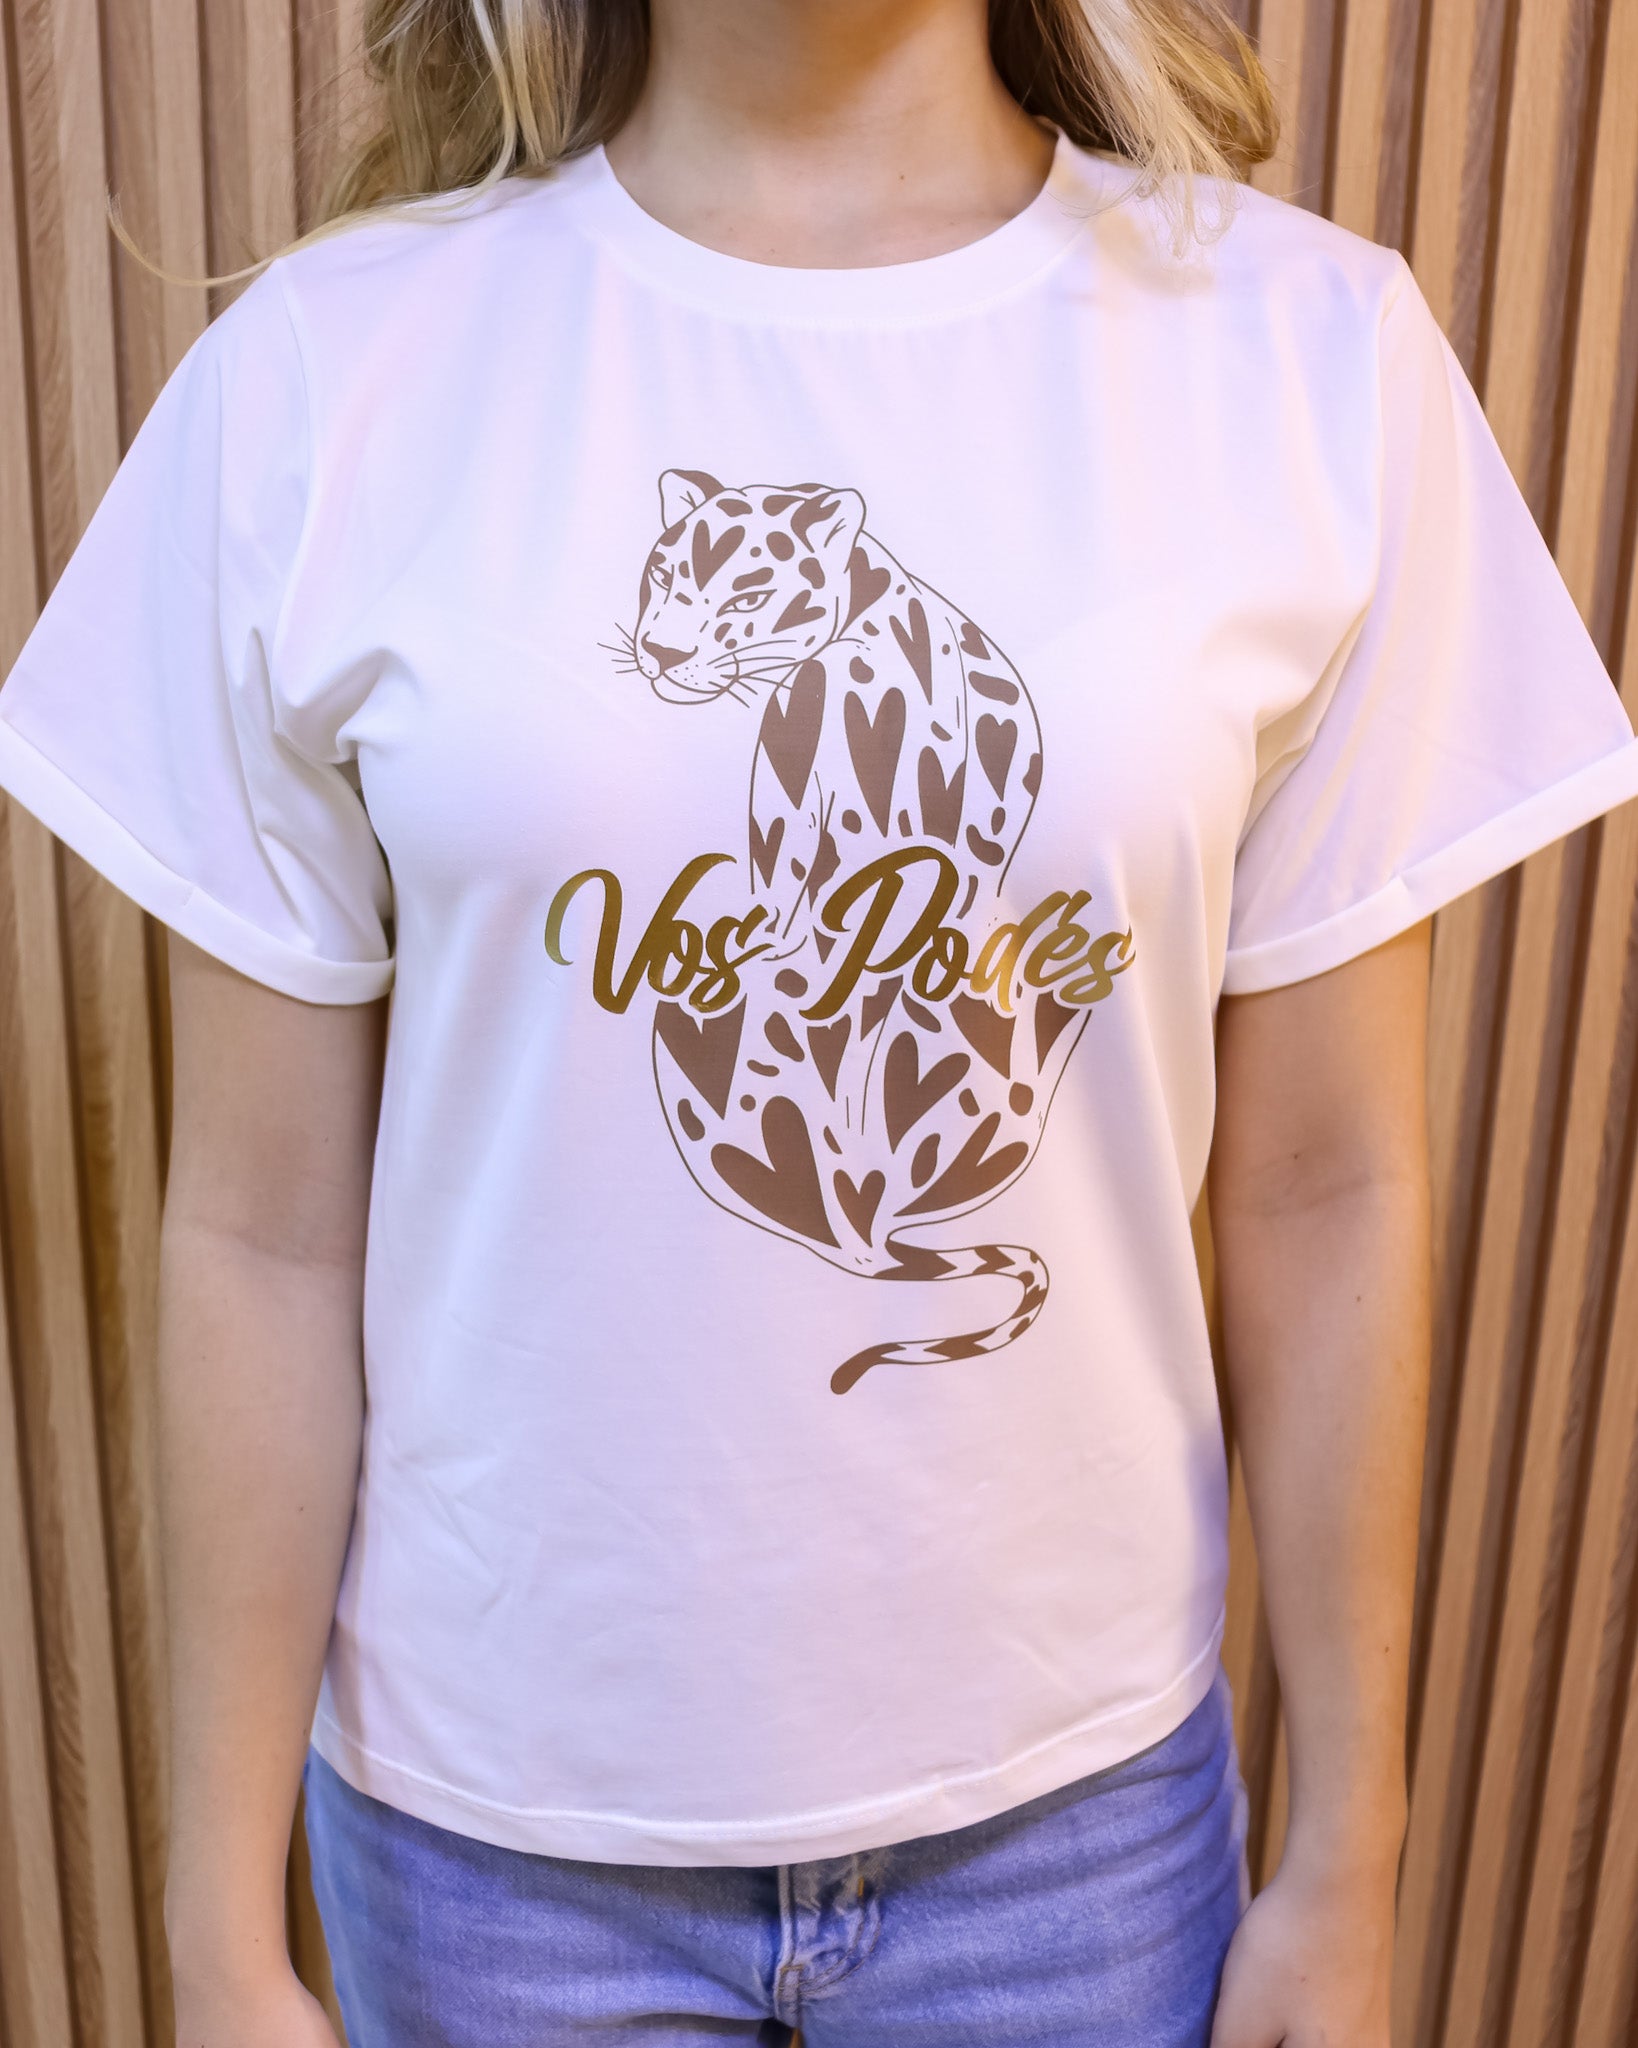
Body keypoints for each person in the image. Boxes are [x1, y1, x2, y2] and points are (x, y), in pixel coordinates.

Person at [3, 1, 1636, 2043]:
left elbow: (1329, 1188)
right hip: (490, 1857)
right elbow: (259, 1233)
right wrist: (217, 1935)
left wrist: (1348, 1857)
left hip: (1078, 1838)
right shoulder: (323, 381)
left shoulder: (1307, 359)